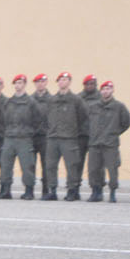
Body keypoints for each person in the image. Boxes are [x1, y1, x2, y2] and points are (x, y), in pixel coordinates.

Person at [0, 74, 45, 201]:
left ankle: (29, 191)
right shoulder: (9, 102)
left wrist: (29, 131)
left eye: (20, 83)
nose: (18, 85)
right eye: (16, 83)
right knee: (6, 164)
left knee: (27, 166)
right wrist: (8, 131)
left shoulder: (31, 102)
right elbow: (3, 119)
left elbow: (38, 119)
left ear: (25, 84)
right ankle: (5, 189)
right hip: (9, 137)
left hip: (24, 138)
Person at [85, 78, 130, 202]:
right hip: (95, 143)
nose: (105, 91)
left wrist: (114, 133)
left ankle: (112, 192)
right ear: (100, 91)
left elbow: (126, 123)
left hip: (110, 144)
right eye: (104, 89)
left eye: (108, 89)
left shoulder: (119, 106)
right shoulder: (93, 106)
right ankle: (96, 192)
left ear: (112, 90)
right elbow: (87, 121)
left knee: (112, 169)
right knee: (93, 169)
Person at [43, 71, 86, 200]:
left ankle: (72, 190)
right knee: (50, 165)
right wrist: (51, 130)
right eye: (60, 80)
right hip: (53, 137)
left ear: (69, 82)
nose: (62, 82)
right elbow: (46, 117)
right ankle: (52, 190)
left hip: (69, 138)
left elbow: (83, 116)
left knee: (71, 165)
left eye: (65, 80)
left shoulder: (76, 100)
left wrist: (72, 130)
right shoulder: (52, 100)